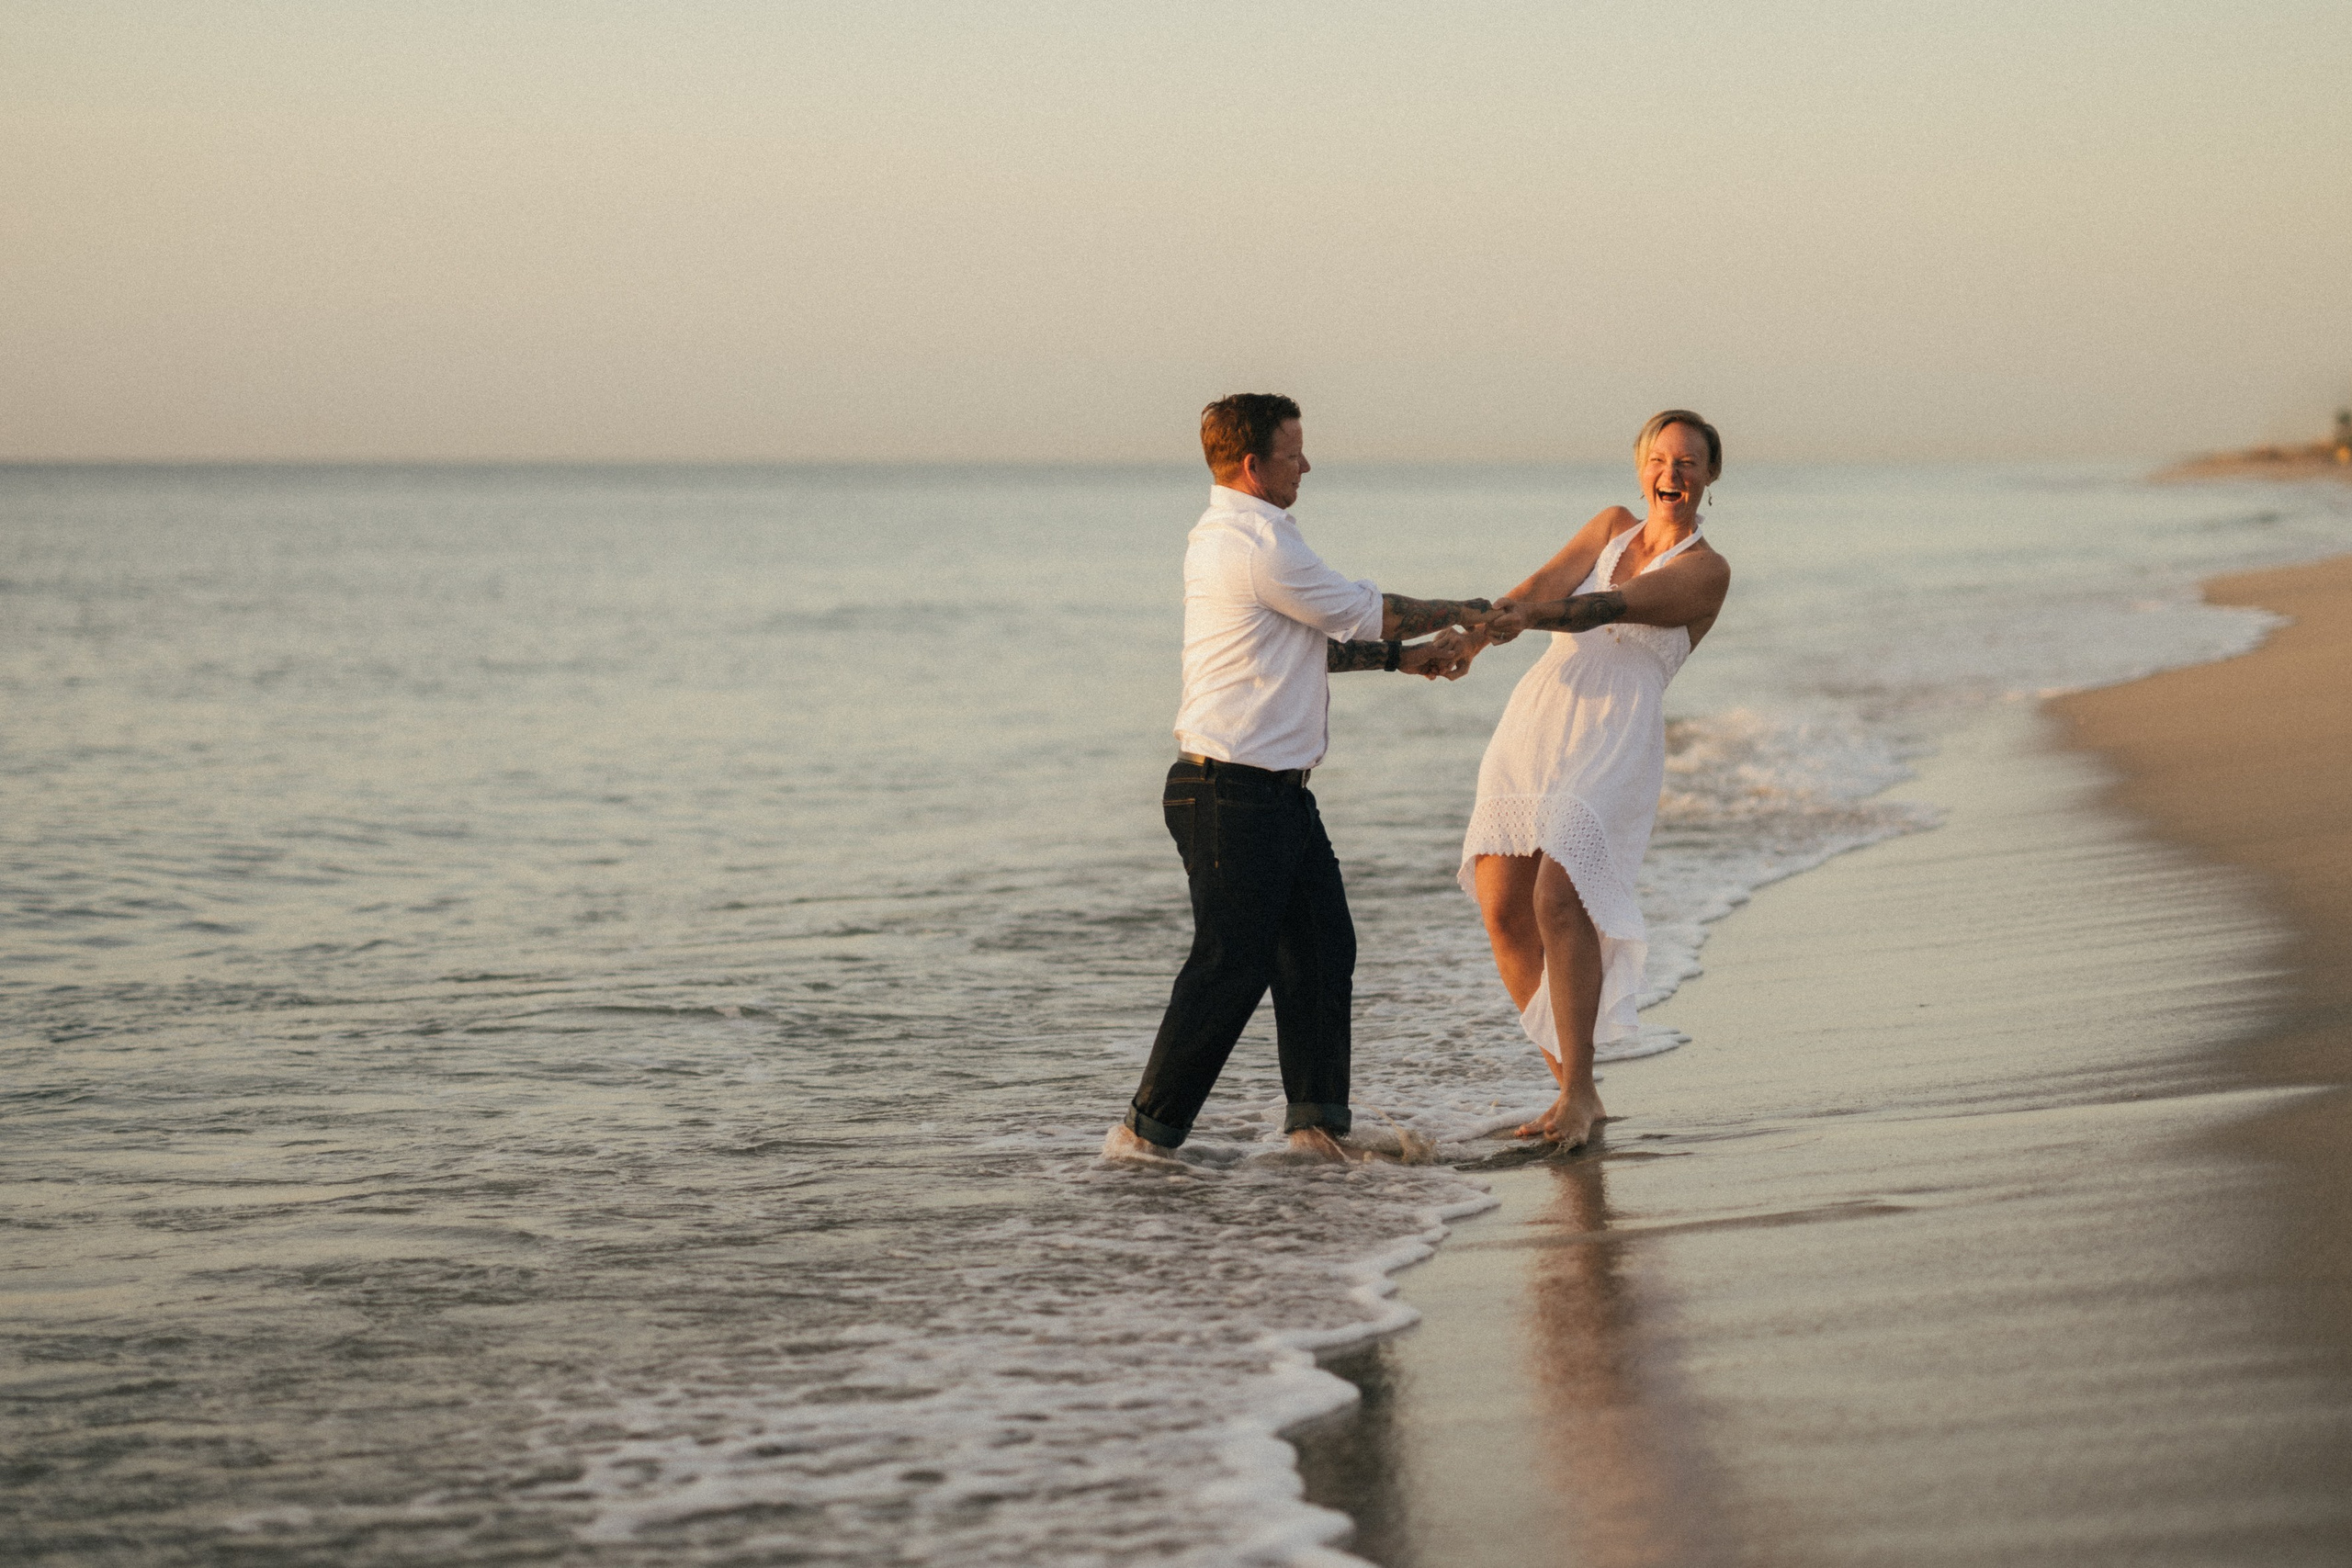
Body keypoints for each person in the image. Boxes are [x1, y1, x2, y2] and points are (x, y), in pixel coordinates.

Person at [1103, 393, 1493, 1163]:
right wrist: (1474, 611)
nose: (1307, 464)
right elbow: (1370, 613)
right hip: (1230, 791)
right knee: (1230, 964)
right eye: (1294, 452)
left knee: (1320, 947)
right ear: (1253, 465)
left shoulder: (1246, 539)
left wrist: (1402, 658)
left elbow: (1317, 644)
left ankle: (1315, 1131)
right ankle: (1142, 1139)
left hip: (1272, 793)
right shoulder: (1255, 545)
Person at [1455, 411, 1733, 1148]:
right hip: (1539, 719)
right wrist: (1474, 636)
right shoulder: (1610, 526)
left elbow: (1606, 606)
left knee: (1560, 893)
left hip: (1615, 734)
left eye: (1689, 462)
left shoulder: (1708, 570)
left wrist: (1536, 615)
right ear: (1640, 466)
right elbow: (1540, 584)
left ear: (1710, 476)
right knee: (1503, 906)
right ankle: (1573, 1090)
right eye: (1660, 458)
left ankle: (1578, 1090)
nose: (1672, 473)